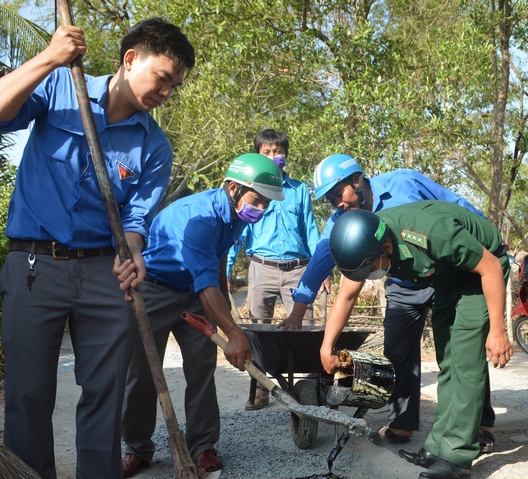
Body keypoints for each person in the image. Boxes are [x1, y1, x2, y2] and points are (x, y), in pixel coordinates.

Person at [0, 18, 195, 479]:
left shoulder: (154, 146)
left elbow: (135, 221)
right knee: (27, 396)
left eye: (174, 86)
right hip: (33, 266)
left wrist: (134, 252)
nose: (166, 93)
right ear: (130, 59)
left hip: (104, 275)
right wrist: (49, 57)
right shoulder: (59, 86)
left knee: (104, 397)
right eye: (162, 78)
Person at [281, 155, 497, 451]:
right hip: (403, 284)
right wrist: (299, 316)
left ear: (357, 181)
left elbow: (455, 208)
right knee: (397, 350)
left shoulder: (405, 182)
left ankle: (481, 425)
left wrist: (486, 245)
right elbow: (322, 269)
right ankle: (402, 424)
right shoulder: (343, 223)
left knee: (462, 350)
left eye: (338, 194)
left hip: (445, 275)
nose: (338, 205)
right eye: (330, 201)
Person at [114, 154, 284, 477]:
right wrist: (234, 333)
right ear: (234, 188)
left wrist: (227, 313)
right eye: (257, 200)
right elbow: (206, 285)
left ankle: (202, 446)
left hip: (194, 293)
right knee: (142, 372)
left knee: (202, 368)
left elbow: (217, 261)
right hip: (155, 288)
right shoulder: (199, 217)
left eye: (267, 202)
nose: (261, 208)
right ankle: (137, 448)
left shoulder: (237, 215)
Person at [321, 203, 512, 479]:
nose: (366, 278)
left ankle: (457, 457)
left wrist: (498, 330)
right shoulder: (365, 243)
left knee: (466, 361)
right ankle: (440, 446)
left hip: (480, 274)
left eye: (367, 270)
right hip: (448, 278)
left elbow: (491, 267)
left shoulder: (431, 232)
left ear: (387, 247)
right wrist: (326, 347)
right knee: (448, 360)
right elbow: (347, 296)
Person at [225, 129, 320, 410]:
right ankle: (259, 389)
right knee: (258, 331)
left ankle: (311, 389)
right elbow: (239, 233)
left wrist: (320, 271)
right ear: (257, 155)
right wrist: (226, 269)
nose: (273, 156)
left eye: (278, 151)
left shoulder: (299, 190)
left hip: (298, 271)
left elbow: (310, 230)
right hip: (261, 269)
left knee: (305, 330)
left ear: (286, 155)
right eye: (266, 152)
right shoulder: (250, 190)